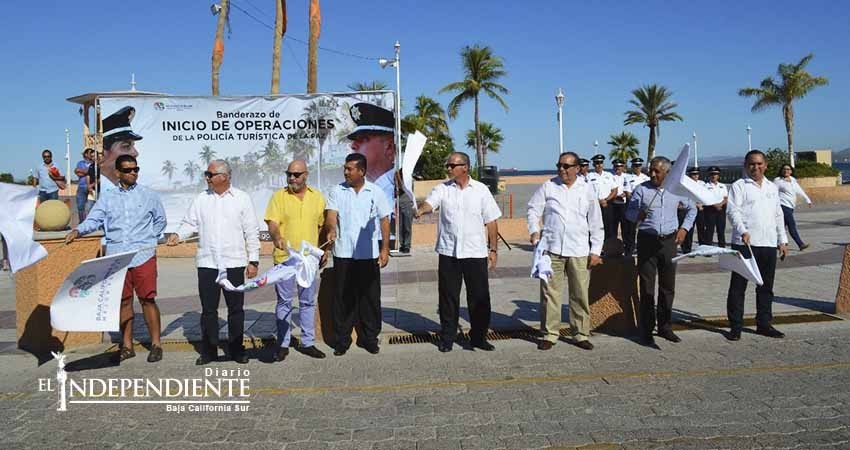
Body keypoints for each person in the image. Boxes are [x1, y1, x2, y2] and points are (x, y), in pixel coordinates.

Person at [65, 154, 166, 363]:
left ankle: (156, 344)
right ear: (118, 173)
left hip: (143, 254)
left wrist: (149, 239)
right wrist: (78, 230)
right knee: (123, 302)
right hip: (117, 256)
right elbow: (94, 219)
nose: (133, 173)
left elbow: (160, 221)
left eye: (136, 169)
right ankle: (127, 346)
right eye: (128, 170)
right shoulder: (108, 197)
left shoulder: (150, 195)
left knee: (148, 299)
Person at [168, 159, 260, 365]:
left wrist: (253, 260)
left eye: (210, 174)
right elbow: (188, 224)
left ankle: (237, 349)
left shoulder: (242, 199)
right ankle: (209, 351)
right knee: (209, 310)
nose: (206, 178)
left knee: (235, 309)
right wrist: (178, 235)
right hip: (208, 263)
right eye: (206, 174)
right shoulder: (201, 199)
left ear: (224, 177)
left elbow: (251, 231)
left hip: (234, 262)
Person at [415, 152, 502, 353]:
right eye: (447, 165)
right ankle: (447, 337)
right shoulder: (442, 189)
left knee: (479, 297)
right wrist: (421, 210)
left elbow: (491, 221)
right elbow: (430, 203)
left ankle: (479, 338)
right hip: (449, 252)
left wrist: (493, 249)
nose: (448, 169)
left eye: (452, 165)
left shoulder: (481, 190)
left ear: (465, 167)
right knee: (448, 297)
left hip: (475, 252)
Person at [527, 152, 604, 350]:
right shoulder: (549, 186)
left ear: (577, 168)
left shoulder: (587, 189)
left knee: (579, 294)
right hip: (552, 249)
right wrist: (534, 232)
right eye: (559, 165)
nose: (561, 169)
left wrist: (596, 251)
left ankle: (580, 333)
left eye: (566, 166)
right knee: (550, 294)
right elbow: (533, 209)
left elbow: (596, 222)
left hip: (578, 250)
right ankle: (550, 334)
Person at [324, 153, 391, 356]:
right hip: (343, 253)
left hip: (368, 254)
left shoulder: (376, 192)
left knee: (370, 298)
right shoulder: (337, 191)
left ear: (362, 171)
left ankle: (369, 339)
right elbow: (331, 217)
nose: (345, 172)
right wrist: (331, 230)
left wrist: (385, 248)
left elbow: (384, 220)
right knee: (343, 298)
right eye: (345, 168)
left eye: (349, 169)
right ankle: (342, 340)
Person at [625, 156, 696, 346]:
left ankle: (665, 327)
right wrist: (637, 214)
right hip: (647, 241)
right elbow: (629, 213)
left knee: (667, 287)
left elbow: (692, 210)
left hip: (669, 242)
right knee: (647, 287)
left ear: (667, 172)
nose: (652, 174)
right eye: (651, 170)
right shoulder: (642, 190)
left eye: (657, 171)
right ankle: (646, 330)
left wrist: (684, 229)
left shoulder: (676, 191)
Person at [263, 160, 328, 362]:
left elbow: (322, 227)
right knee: (284, 302)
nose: (292, 178)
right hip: (285, 260)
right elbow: (272, 224)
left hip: (308, 262)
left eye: (296, 174)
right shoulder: (278, 197)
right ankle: (282, 344)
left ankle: (308, 343)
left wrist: (323, 250)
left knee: (308, 301)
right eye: (289, 174)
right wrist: (277, 238)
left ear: (306, 175)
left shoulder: (317, 197)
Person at [726, 150, 788, 341]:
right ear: (746, 166)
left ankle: (764, 324)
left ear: (766, 165)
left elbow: (778, 214)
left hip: (768, 244)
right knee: (738, 287)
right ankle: (735, 327)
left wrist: (782, 240)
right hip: (745, 244)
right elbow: (732, 211)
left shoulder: (772, 187)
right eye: (752, 164)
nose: (756, 167)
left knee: (766, 287)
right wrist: (743, 230)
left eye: (759, 164)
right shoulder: (739, 186)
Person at [348, 102, 396, 210]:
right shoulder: (361, 189)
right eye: (355, 140)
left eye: (364, 139)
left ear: (389, 147)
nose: (353, 145)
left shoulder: (396, 191)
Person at [99, 106, 142, 188]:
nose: (135, 153)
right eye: (126, 146)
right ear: (102, 152)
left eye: (133, 146)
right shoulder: (101, 190)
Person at [774, 163, 813, 251]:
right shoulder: (778, 180)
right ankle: (800, 244)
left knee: (781, 226)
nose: (786, 171)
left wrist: (807, 200)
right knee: (792, 225)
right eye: (784, 169)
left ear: (791, 171)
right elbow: (773, 193)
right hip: (782, 206)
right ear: (781, 170)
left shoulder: (793, 180)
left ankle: (777, 243)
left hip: (791, 206)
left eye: (788, 169)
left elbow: (800, 191)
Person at [586, 154, 617, 243]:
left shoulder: (609, 175)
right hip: (595, 206)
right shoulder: (589, 176)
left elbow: (614, 190)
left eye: (600, 163)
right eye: (596, 163)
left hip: (607, 204)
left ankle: (608, 248)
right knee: (595, 227)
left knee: (609, 227)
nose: (599, 165)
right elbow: (587, 192)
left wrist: (606, 200)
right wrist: (597, 201)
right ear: (593, 165)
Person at [623, 157, 649, 256]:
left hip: (644, 207)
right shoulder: (628, 178)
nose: (637, 168)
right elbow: (628, 192)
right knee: (631, 230)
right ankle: (630, 249)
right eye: (635, 166)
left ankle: (643, 247)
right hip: (633, 207)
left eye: (638, 166)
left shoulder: (646, 178)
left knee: (645, 228)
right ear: (632, 167)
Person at [678, 167, 704, 253]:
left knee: (701, 229)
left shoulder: (702, 184)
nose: (695, 176)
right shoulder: (686, 184)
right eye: (693, 174)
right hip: (689, 208)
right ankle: (687, 249)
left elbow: (705, 196)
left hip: (700, 209)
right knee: (688, 229)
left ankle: (702, 247)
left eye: (697, 174)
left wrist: (701, 204)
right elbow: (686, 198)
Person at [702, 166, 728, 247]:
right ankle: (708, 248)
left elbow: (726, 198)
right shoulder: (705, 186)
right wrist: (715, 205)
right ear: (709, 175)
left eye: (716, 174)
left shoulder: (723, 186)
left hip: (721, 210)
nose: (714, 176)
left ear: (718, 175)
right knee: (709, 230)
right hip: (710, 210)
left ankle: (722, 247)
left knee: (721, 230)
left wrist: (720, 204)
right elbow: (705, 198)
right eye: (712, 174)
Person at [394, 170, 414, 253]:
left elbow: (403, 187)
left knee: (407, 226)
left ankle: (407, 245)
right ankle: (402, 244)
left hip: (407, 202)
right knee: (400, 226)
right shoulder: (396, 179)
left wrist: (397, 175)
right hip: (399, 203)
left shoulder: (408, 179)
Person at [610, 159, 629, 248]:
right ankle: (613, 246)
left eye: (619, 166)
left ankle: (625, 245)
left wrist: (625, 193)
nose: (618, 168)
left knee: (625, 226)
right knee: (613, 226)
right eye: (616, 166)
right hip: (613, 203)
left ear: (623, 167)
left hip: (623, 204)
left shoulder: (627, 176)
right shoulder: (610, 176)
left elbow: (629, 188)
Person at [74, 148, 95, 221]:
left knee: (91, 207)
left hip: (92, 187)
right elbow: (77, 172)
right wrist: (89, 172)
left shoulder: (94, 163)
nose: (91, 154)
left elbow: (81, 171)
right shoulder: (80, 163)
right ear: (86, 154)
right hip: (81, 186)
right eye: (90, 153)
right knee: (80, 206)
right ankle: (81, 222)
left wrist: (83, 171)